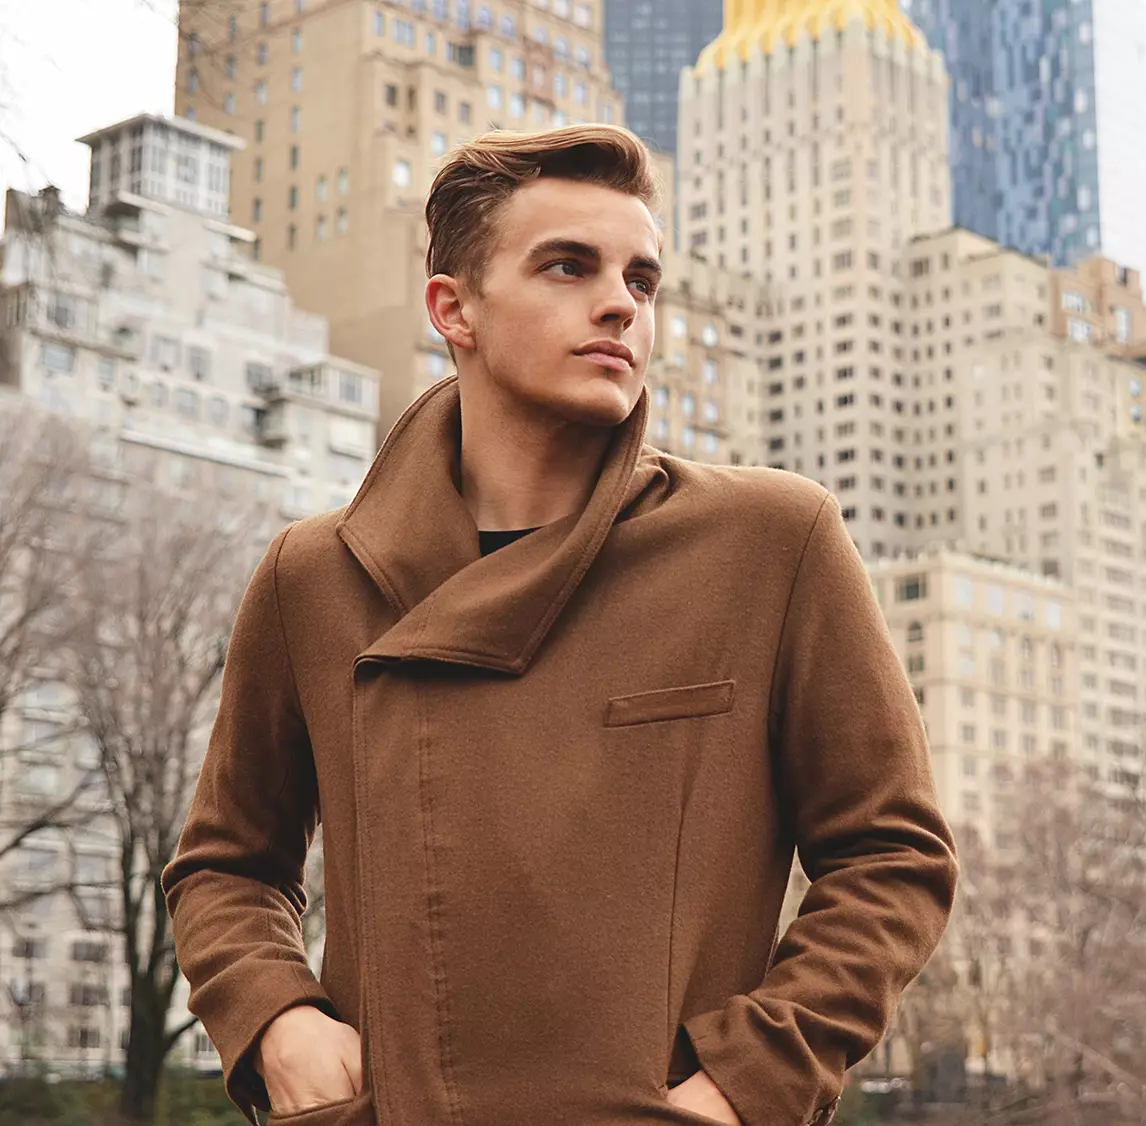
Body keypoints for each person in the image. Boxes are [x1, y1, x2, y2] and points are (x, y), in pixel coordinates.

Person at [163, 124, 958, 1126]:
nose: (620, 301)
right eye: (567, 266)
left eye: (642, 277)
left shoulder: (768, 541)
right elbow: (226, 863)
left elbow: (893, 856)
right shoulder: (315, 576)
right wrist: (277, 1020)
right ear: (454, 309)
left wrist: (750, 1082)